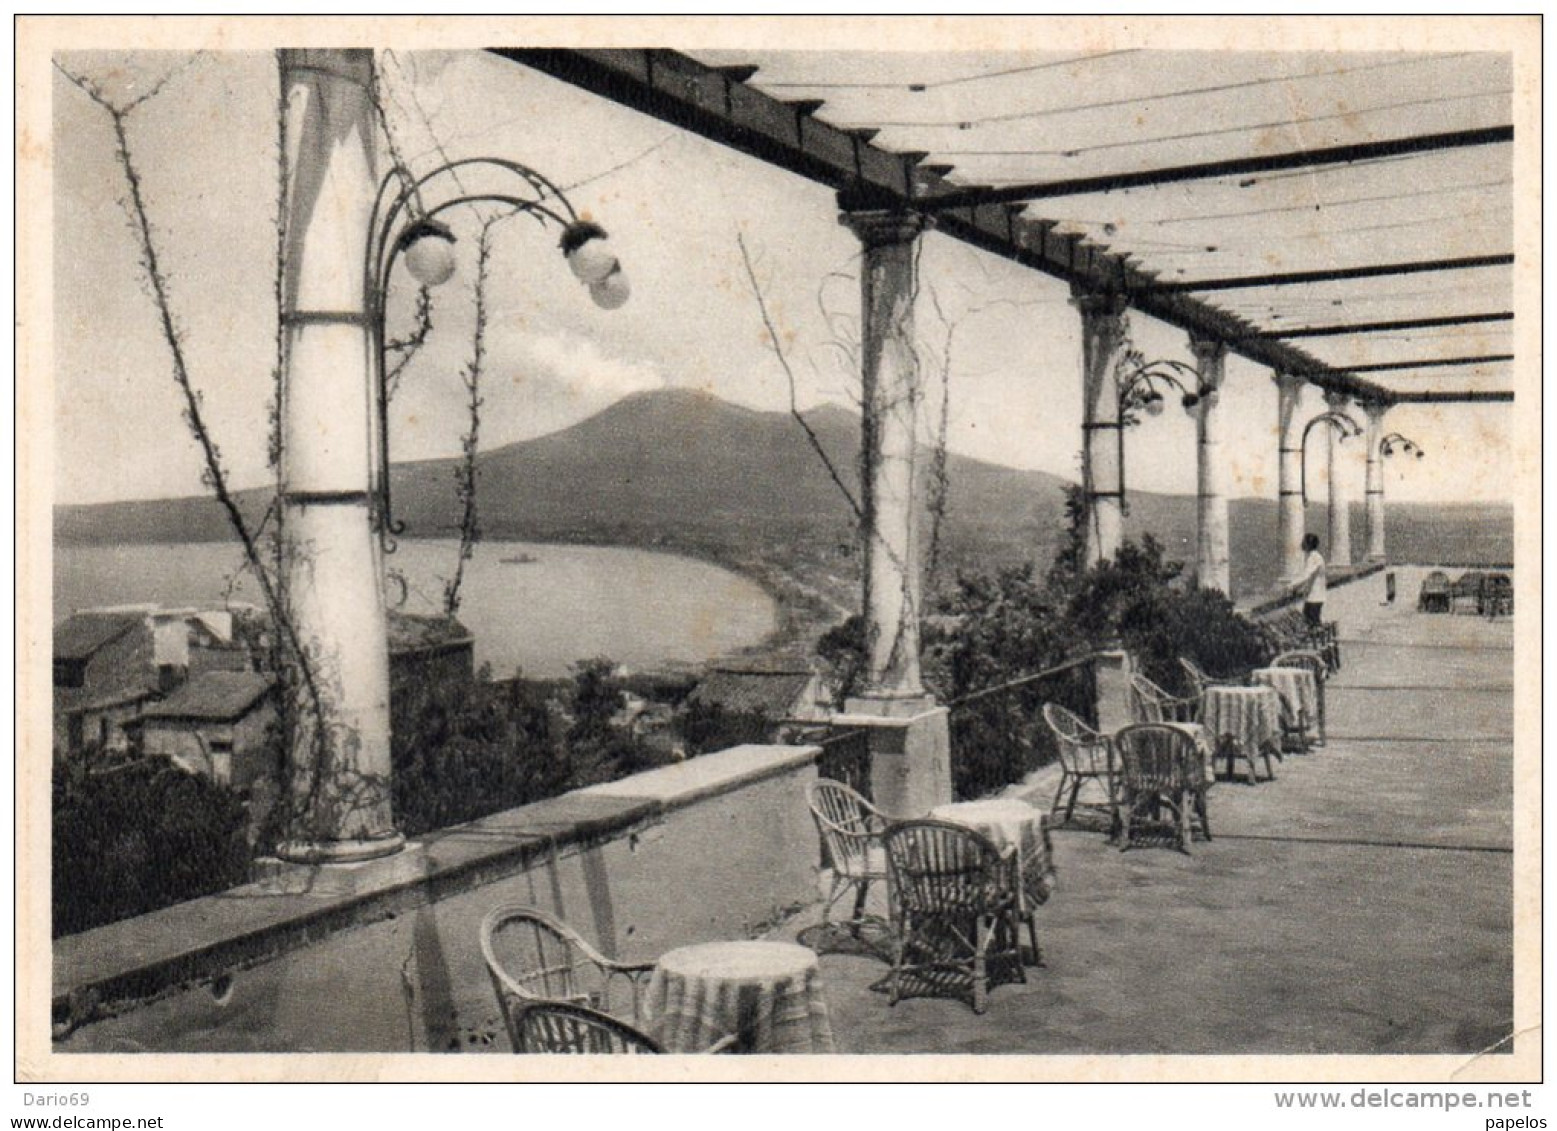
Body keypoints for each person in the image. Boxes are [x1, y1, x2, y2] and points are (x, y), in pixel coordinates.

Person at [1297, 533, 1327, 626]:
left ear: (1308, 544)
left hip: (1314, 597)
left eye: (1304, 541)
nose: (1301, 544)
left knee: (1312, 624)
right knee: (1311, 623)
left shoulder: (1314, 558)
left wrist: (1291, 586)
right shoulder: (1314, 557)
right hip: (1314, 596)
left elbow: (1306, 575)